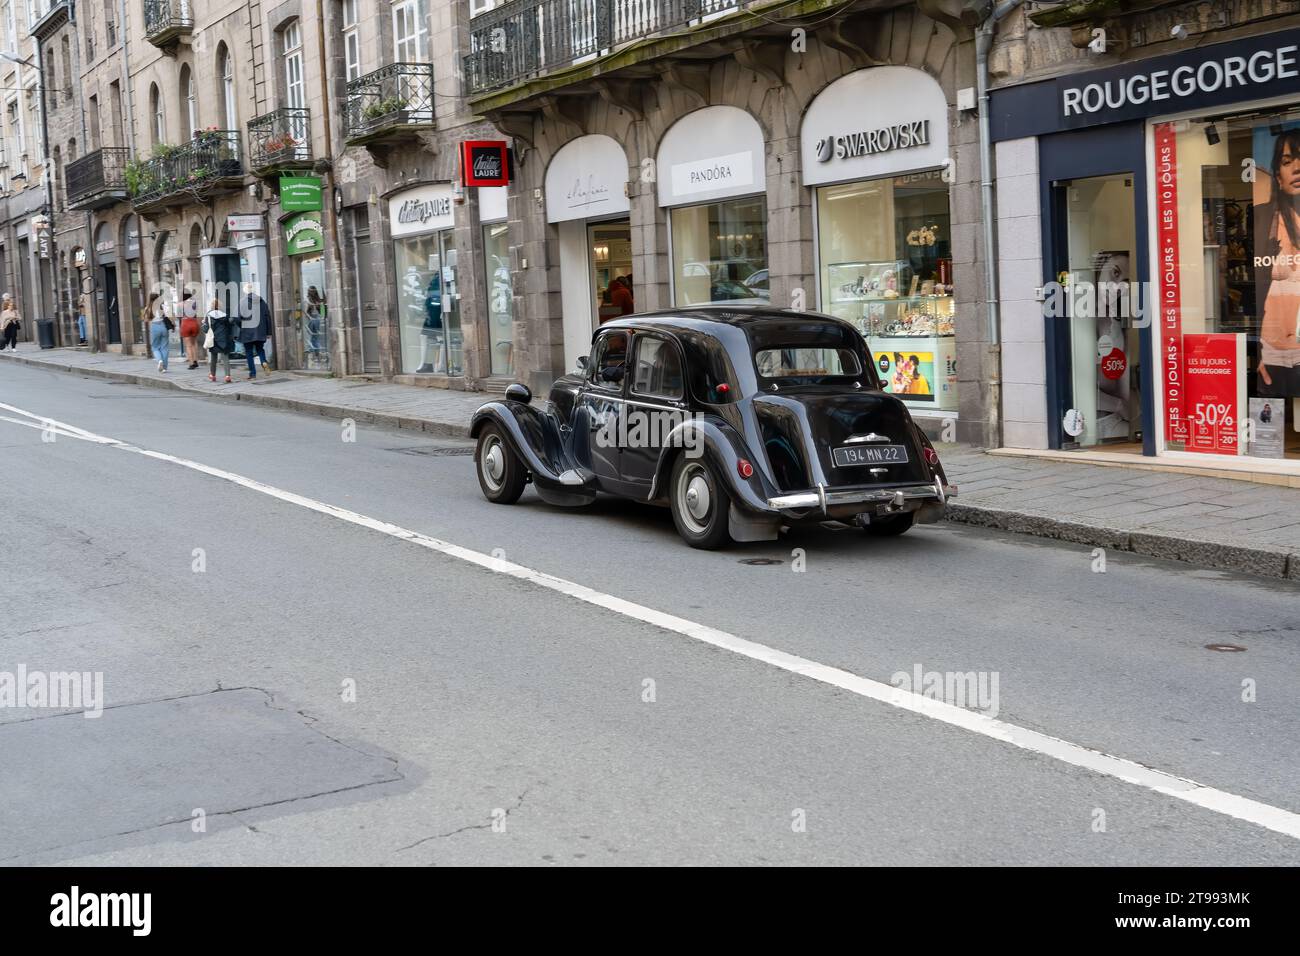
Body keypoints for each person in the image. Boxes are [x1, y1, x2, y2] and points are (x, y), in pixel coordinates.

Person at [1254, 129, 1300, 398]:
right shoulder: (1266, 220)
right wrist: (1261, 354)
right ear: (1278, 176)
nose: (1296, 167)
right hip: (1273, 356)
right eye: (1287, 161)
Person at [238, 287, 273, 379]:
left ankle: (252, 374)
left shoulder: (242, 302)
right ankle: (263, 362)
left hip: (247, 332)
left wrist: (241, 326)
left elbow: (237, 318)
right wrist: (268, 332)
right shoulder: (262, 301)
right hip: (260, 331)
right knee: (260, 349)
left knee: (249, 353)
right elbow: (267, 317)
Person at [203, 297, 237, 383]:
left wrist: (203, 325)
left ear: (212, 306)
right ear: (220, 306)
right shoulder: (224, 315)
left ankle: (212, 375)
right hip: (223, 338)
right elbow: (229, 326)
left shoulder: (209, 315)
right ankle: (227, 375)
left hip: (213, 339)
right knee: (225, 357)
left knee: (214, 358)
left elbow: (206, 329)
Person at [147, 293, 174, 372]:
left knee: (155, 347)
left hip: (154, 327)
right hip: (163, 326)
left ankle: (159, 360)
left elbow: (146, 319)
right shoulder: (162, 307)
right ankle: (164, 368)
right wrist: (173, 325)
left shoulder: (148, 308)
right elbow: (170, 316)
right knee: (164, 347)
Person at [179, 291, 201, 369]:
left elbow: (178, 315)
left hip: (185, 323)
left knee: (188, 345)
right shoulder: (195, 303)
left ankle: (191, 363)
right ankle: (196, 360)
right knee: (194, 343)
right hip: (194, 322)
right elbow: (197, 313)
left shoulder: (181, 304)